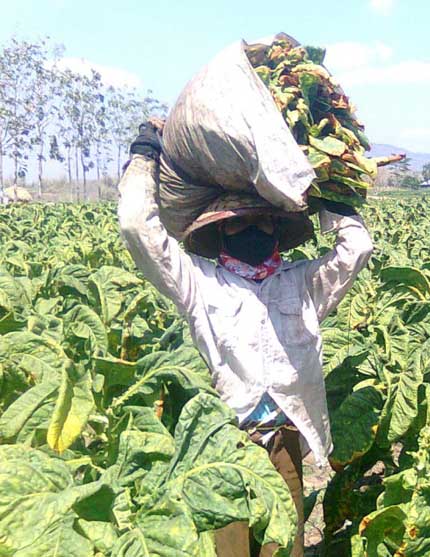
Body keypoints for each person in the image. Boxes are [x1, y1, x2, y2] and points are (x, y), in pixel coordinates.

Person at [118, 121, 373, 557]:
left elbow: (357, 247)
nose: (252, 231)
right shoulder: (199, 283)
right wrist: (144, 158)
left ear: (278, 230)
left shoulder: (305, 283)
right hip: (226, 447)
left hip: (285, 443)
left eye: (263, 223)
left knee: (285, 548)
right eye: (237, 224)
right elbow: (137, 228)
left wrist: (328, 189)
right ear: (218, 232)